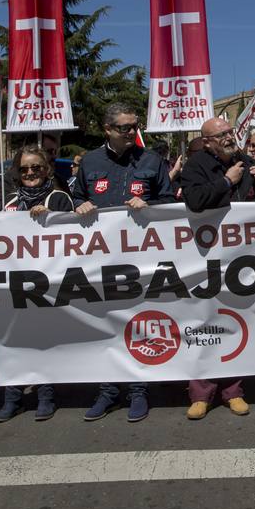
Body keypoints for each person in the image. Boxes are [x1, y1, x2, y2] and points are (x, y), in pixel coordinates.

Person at [72, 104, 176, 423]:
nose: (131, 132)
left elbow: (170, 201)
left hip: (140, 261)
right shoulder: (90, 161)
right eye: (124, 128)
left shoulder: (151, 160)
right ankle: (107, 390)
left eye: (134, 126)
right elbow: (74, 198)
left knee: (137, 323)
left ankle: (138, 390)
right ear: (107, 130)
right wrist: (80, 204)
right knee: (104, 324)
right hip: (99, 259)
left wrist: (151, 204)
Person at [180, 115, 255, 420]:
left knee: (235, 321)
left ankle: (233, 390)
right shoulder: (195, 166)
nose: (230, 137)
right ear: (207, 143)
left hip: (241, 256)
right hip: (205, 256)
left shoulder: (245, 160)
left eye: (231, 132)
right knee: (204, 321)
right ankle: (201, 394)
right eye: (222, 135)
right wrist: (226, 181)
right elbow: (194, 200)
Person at [0, 145, 76, 422]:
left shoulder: (60, 198)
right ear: (17, 172)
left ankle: (46, 394)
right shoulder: (8, 200)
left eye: (36, 167)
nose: (30, 173)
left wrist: (49, 220)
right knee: (12, 342)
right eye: (24, 168)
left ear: (47, 170)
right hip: (13, 282)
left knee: (43, 341)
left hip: (49, 283)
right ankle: (12, 396)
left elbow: (75, 238)